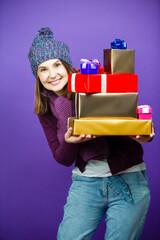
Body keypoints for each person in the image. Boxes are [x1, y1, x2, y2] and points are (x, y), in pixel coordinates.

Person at [28, 27, 155, 240]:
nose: (52, 74)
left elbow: (128, 117)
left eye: (57, 64)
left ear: (66, 64)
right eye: (43, 69)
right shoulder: (46, 110)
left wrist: (144, 131)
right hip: (86, 184)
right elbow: (62, 158)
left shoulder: (95, 84)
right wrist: (70, 141)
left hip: (129, 178)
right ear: (37, 75)